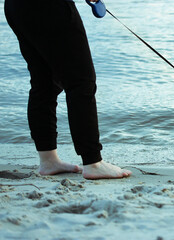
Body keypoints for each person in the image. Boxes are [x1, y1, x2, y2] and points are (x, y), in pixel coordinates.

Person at [4, 0, 132, 179]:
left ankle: (48, 161)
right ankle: (93, 162)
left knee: (44, 83)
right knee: (81, 82)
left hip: (16, 6)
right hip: (50, 7)